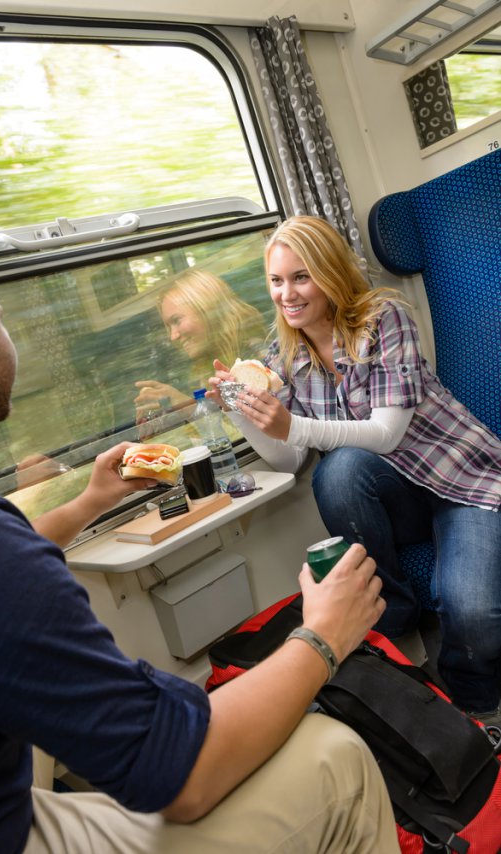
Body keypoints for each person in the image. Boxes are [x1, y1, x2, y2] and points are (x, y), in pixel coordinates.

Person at [0, 217, 399, 854]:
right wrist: (323, 636)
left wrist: (88, 503)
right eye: (0, 313)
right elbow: (184, 776)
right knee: (335, 756)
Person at [209, 214, 501, 724]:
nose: (286, 294)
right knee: (336, 472)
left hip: (460, 480)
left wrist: (291, 424)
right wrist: (240, 409)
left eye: (301, 277)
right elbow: (289, 457)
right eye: (276, 280)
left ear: (329, 273)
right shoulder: (284, 355)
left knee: (472, 610)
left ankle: (478, 713)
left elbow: (386, 433)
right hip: (396, 494)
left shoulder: (383, 318)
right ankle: (395, 617)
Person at [134, 268, 267, 418]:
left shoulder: (259, 360)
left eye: (177, 320)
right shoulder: (205, 371)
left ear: (207, 311)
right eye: (169, 327)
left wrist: (187, 406)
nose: (173, 336)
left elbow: (257, 425)